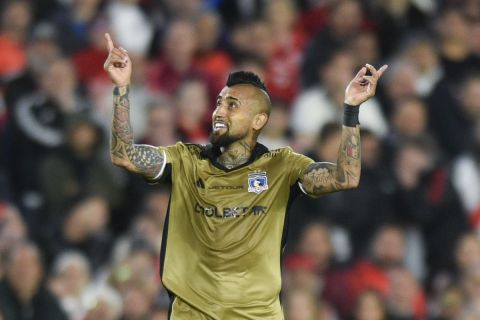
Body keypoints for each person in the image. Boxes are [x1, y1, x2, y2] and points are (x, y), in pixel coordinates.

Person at [103, 32, 387, 319]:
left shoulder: (281, 166)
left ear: (258, 120)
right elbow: (124, 155)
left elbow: (345, 177)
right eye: (218, 102)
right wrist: (122, 88)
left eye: (232, 105)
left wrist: (351, 109)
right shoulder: (186, 160)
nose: (218, 111)